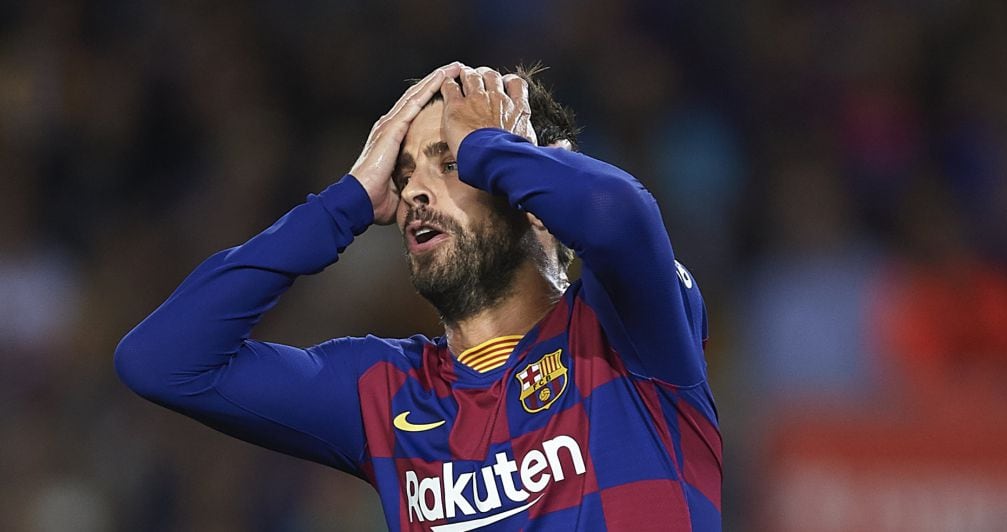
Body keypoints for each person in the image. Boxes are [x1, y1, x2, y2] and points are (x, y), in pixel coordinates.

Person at [116, 62, 723, 531]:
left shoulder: (626, 330)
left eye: (451, 164)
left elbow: (618, 214)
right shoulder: (385, 394)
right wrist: (345, 203)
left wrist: (492, 149)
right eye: (405, 176)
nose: (415, 195)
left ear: (537, 201)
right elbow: (163, 362)